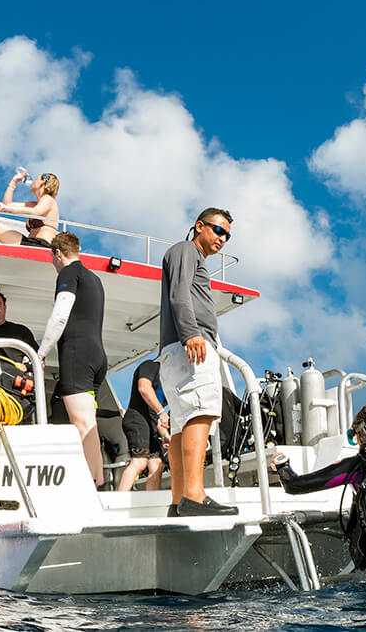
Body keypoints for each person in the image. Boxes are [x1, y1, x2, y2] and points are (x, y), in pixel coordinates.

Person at [272, 400, 366, 579]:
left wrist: (282, 466)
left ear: (363, 432)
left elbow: (295, 485)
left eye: (355, 437)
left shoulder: (360, 466)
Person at [160, 207, 237, 517]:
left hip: (177, 351)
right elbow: (179, 294)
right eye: (218, 230)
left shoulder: (194, 257)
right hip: (191, 346)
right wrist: (192, 333)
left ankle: (180, 501)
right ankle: (194, 494)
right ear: (199, 226)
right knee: (201, 412)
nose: (222, 238)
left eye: (227, 235)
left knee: (182, 423)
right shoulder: (185, 250)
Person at [36, 232, 108, 487]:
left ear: (56, 253)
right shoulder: (95, 279)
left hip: (77, 356)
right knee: (90, 426)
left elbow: (60, 316)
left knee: (82, 425)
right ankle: (99, 485)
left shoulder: (68, 274)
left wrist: (40, 353)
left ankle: (90, 488)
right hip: (97, 356)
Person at [117, 359, 170, 491]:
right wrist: (162, 413)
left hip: (151, 423)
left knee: (157, 464)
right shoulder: (150, 366)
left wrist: (165, 435)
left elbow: (158, 419)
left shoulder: (169, 382)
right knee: (140, 462)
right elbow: (144, 388)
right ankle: (118, 500)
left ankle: (151, 501)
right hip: (137, 419)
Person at [0, 168, 60, 246]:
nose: (33, 181)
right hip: (31, 243)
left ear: (43, 182)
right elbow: (7, 204)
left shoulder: (48, 199)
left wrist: (7, 209)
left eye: (36, 179)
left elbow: (36, 212)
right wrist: (14, 181)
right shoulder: (33, 204)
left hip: (41, 245)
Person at [0, 289, 39, 364]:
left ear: (4, 308)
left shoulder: (22, 332)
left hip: (17, 374)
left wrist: (25, 368)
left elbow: (37, 359)